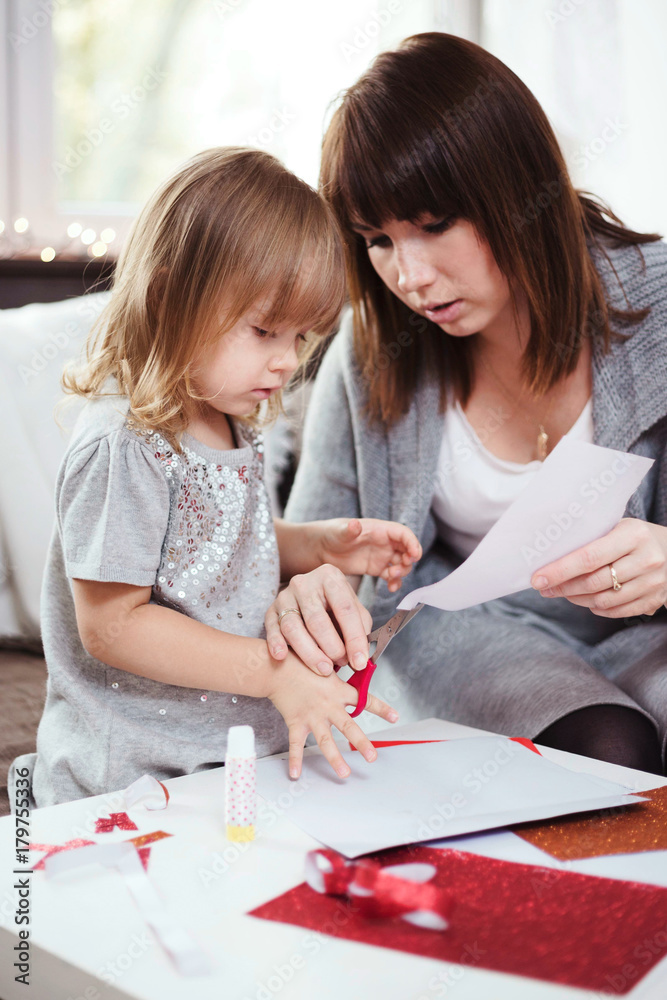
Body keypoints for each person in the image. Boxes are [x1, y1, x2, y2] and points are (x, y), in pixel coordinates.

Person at [280, 33, 667, 774]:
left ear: (518, 190)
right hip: (463, 631)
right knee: (608, 750)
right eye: (376, 239)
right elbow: (309, 550)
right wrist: (313, 587)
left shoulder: (655, 304)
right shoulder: (372, 349)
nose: (409, 275)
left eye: (432, 225)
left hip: (643, 626)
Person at [7, 147, 425, 809]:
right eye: (264, 330)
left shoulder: (234, 418)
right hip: (131, 779)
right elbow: (114, 625)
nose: (287, 361)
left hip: (227, 756)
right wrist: (274, 673)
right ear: (171, 295)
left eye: (302, 338)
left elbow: (220, 544)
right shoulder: (126, 445)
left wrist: (317, 544)